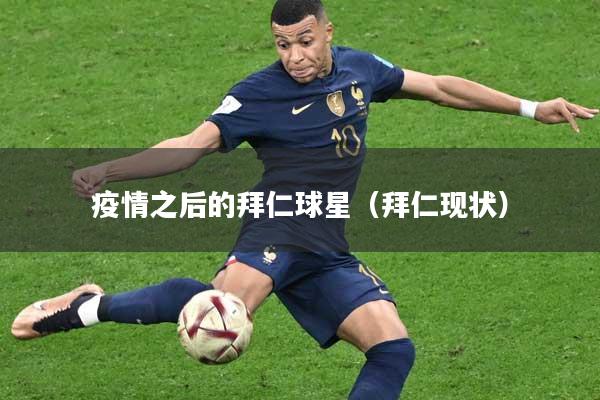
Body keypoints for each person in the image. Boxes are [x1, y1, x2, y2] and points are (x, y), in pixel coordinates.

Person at [11, 0, 597, 399]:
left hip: (326, 240)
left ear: (328, 32)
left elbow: (440, 87)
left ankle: (89, 301)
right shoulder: (257, 94)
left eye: (305, 41)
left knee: (393, 350)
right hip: (276, 227)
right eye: (283, 44)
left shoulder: (361, 70)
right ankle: (83, 309)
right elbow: (190, 147)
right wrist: (110, 170)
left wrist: (531, 108)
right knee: (220, 316)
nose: (294, 55)